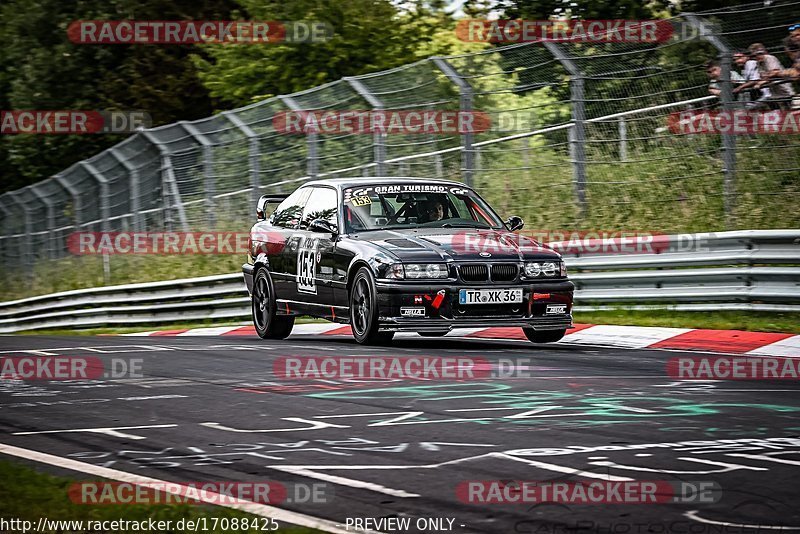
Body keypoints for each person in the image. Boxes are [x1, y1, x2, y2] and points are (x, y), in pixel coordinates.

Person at [749, 43, 795, 109]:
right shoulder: (758, 63)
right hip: (774, 93)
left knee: (788, 112)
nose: (757, 57)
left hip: (784, 92)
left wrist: (762, 82)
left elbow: (774, 72)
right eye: (754, 55)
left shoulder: (769, 58)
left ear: (764, 52)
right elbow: (763, 76)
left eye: (760, 54)